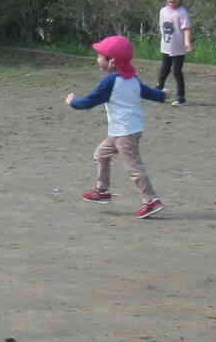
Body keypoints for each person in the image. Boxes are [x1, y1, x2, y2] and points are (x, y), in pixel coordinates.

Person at [65, 35, 166, 218]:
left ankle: (151, 201)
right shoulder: (132, 78)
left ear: (111, 62)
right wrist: (161, 95)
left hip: (125, 132)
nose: (97, 59)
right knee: (101, 154)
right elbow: (148, 92)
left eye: (100, 56)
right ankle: (102, 191)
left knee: (134, 167)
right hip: (123, 130)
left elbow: (89, 101)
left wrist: (73, 102)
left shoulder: (110, 82)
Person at [156, 0, 193, 104]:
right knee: (164, 70)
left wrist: (187, 42)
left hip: (178, 48)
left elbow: (186, 28)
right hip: (166, 47)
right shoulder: (162, 11)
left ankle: (181, 98)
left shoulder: (182, 13)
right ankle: (158, 90)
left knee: (177, 72)